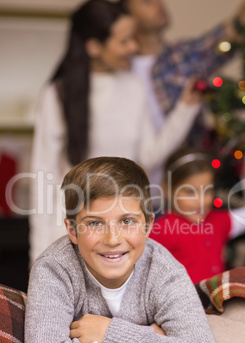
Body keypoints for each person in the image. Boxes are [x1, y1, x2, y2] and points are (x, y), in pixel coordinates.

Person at [25, 156, 221, 343]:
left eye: (127, 221)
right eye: (95, 223)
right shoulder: (54, 269)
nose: (113, 239)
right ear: (72, 231)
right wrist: (150, 341)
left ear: (148, 225)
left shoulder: (163, 271)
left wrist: (110, 332)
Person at [29, 0, 201, 264]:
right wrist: (39, 259)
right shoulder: (58, 95)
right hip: (71, 235)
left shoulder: (134, 87)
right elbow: (43, 177)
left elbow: (148, 156)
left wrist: (185, 109)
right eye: (124, 41)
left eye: (133, 39)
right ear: (94, 47)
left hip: (122, 231)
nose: (133, 47)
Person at [121, 0, 245, 129]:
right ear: (128, 16)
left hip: (190, 155)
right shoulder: (119, 68)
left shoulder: (180, 56)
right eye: (147, 2)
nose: (159, 3)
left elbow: (234, 30)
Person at [150, 144, 245, 283]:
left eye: (208, 191)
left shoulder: (218, 221)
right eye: (190, 192)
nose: (201, 201)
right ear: (168, 189)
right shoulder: (161, 230)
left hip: (218, 302)